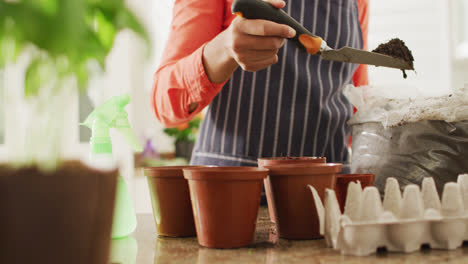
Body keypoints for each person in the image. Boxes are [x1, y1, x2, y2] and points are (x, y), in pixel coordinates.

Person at [152, 0, 369, 169]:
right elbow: (165, 103)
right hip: (231, 191)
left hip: (327, 192)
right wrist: (223, 50)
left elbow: (357, 100)